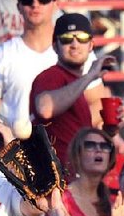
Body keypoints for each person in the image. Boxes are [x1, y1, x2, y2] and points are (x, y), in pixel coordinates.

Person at [0, 0, 62, 131]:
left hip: (65, 150)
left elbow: (95, 102)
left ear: (55, 4)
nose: (35, 5)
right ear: (18, 6)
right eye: (27, 0)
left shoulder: (74, 50)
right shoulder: (0, 56)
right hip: (17, 150)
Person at [30, 13, 113, 167]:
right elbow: (45, 108)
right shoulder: (51, 76)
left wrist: (111, 129)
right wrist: (90, 76)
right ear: (55, 46)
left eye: (81, 38)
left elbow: (80, 136)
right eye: (67, 38)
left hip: (75, 176)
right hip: (54, 180)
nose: (75, 44)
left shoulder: (76, 87)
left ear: (91, 46)